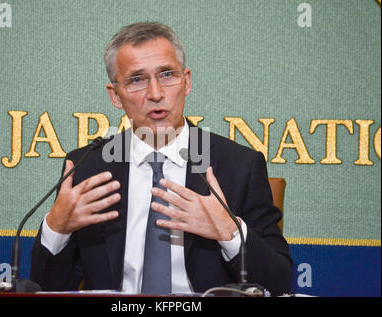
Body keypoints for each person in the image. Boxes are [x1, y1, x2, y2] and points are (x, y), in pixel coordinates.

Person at [30, 22, 292, 296]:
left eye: (167, 74)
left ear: (187, 81)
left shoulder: (238, 167)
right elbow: (46, 288)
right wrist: (55, 229)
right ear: (115, 95)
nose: (155, 94)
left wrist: (230, 232)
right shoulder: (88, 168)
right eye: (136, 80)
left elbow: (280, 282)